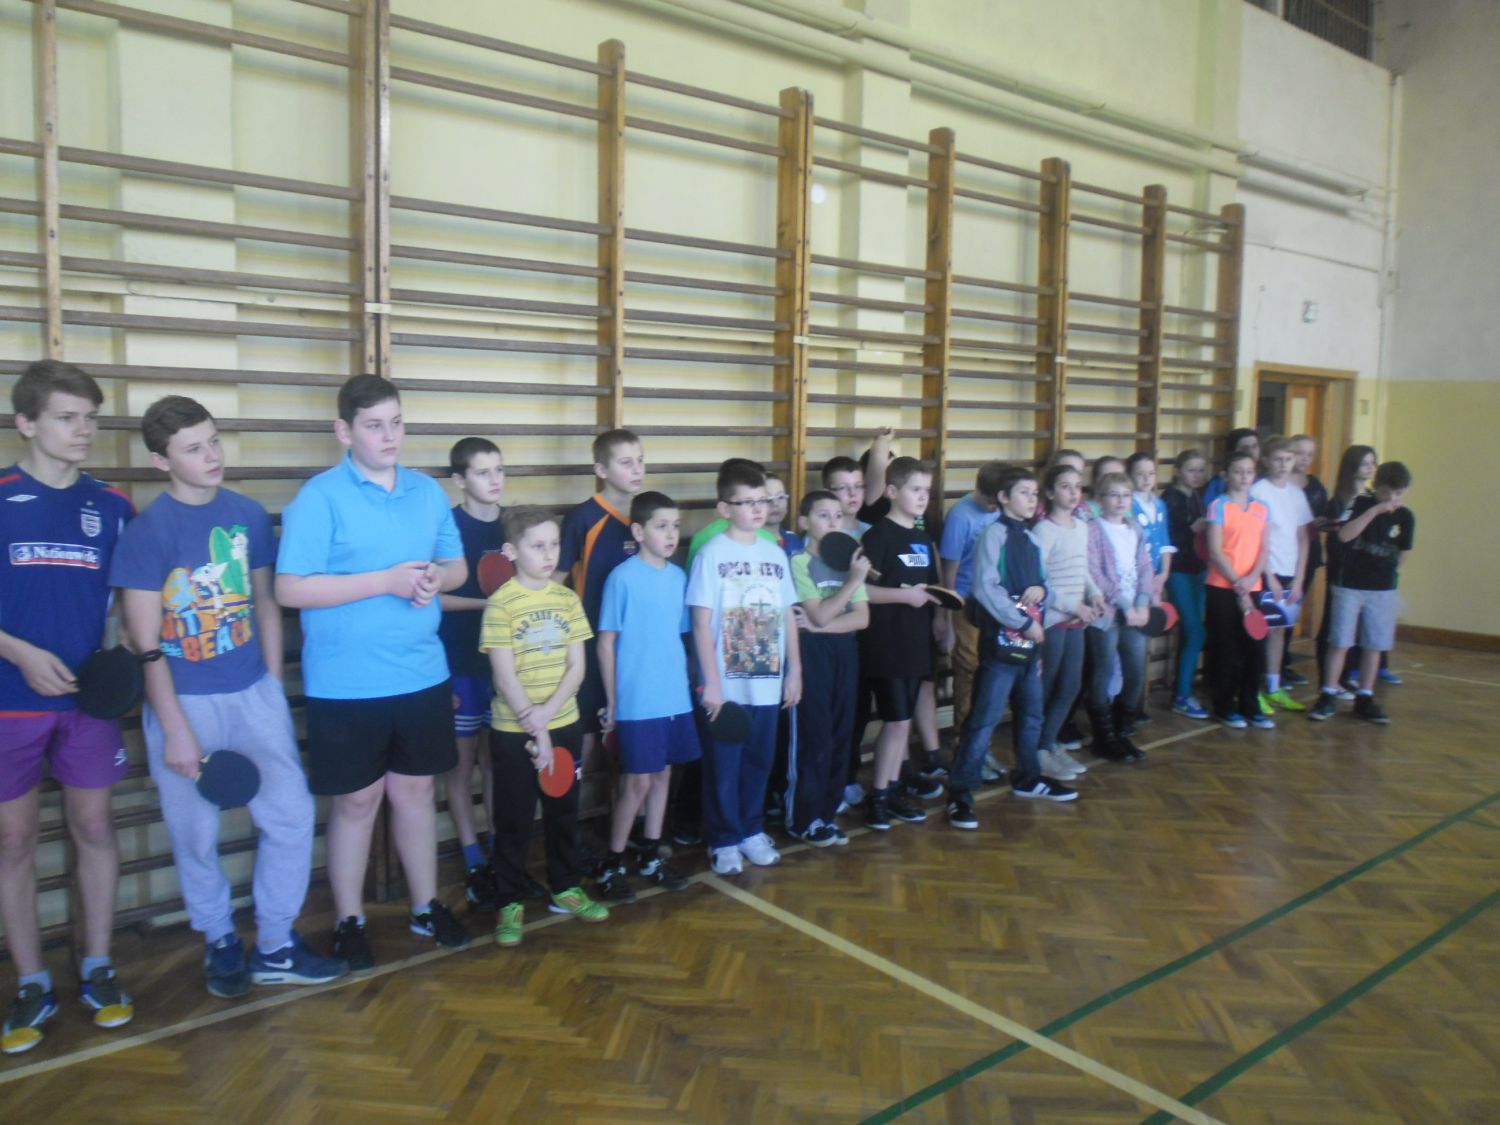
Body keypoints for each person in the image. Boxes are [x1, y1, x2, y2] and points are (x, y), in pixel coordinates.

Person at [111, 396, 347, 999]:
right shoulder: (147, 533)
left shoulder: (246, 515)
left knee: (291, 816)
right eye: (194, 448)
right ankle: (219, 939)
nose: (211, 455)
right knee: (194, 833)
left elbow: (265, 602)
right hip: (184, 704)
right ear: (162, 461)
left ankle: (275, 944)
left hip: (252, 695)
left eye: (213, 441)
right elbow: (145, 644)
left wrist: (269, 683)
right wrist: (174, 728)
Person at [275, 374, 470, 971]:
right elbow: (290, 589)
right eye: (374, 425)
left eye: (397, 422)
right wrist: (384, 581)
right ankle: (350, 919)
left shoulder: (427, 492)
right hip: (345, 682)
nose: (390, 436)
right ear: (345, 431)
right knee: (357, 804)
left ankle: (424, 906)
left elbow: (457, 567)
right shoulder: (319, 497)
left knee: (416, 793)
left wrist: (437, 578)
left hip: (421, 674)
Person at [1, 361, 135, 1055]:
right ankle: (31, 981)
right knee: (14, 841)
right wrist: (18, 651)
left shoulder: (112, 505)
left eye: (90, 418)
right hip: (9, 704)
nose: (84, 430)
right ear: (25, 422)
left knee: (93, 825)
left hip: (88, 706)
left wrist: (124, 659)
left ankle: (98, 966)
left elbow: (126, 605)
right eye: (66, 417)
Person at [481, 506, 609, 946]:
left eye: (554, 544)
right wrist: (536, 730)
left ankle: (565, 888)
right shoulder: (501, 604)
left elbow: (577, 668)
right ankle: (509, 900)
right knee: (513, 818)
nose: (549, 554)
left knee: (564, 812)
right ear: (511, 551)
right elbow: (504, 677)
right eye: (537, 546)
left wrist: (548, 716)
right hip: (513, 730)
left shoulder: (567, 599)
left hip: (564, 724)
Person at [688, 462, 802, 875]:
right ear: (725, 509)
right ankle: (724, 839)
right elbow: (701, 623)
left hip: (767, 681)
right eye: (747, 502)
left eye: (763, 501)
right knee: (724, 766)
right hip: (726, 684)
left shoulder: (775, 553)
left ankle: (751, 830)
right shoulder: (711, 555)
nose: (758, 509)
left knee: (758, 760)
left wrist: (795, 670)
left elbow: (788, 615)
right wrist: (711, 683)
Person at [946, 467, 1076, 830]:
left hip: (1028, 649)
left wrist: (1044, 592)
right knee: (983, 720)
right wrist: (1023, 623)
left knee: (1031, 714)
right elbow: (986, 588)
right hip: (1001, 648)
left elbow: (1044, 583)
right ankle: (960, 793)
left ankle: (1028, 777)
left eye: (1035, 494)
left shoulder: (1031, 538)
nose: (1032, 500)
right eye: (1023, 493)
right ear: (1003, 498)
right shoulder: (993, 535)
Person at [594, 492, 697, 901]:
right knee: (636, 783)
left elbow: (679, 636)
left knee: (663, 775)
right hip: (637, 700)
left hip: (674, 697)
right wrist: (613, 700)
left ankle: (652, 855)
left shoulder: (678, 577)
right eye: (661, 526)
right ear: (638, 531)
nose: (671, 534)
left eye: (675, 526)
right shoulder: (622, 578)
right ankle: (612, 862)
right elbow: (606, 643)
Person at [437, 438, 508, 913]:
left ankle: (502, 853)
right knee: (461, 768)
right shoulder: (446, 528)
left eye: (499, 470)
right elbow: (435, 598)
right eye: (483, 472)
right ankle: (472, 858)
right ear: (459, 481)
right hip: (459, 663)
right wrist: (489, 606)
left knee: (497, 762)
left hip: (505, 667)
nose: (495, 480)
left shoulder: (512, 526)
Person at [857, 457, 942, 830]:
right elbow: (861, 590)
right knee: (895, 722)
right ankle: (877, 796)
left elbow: (930, 587)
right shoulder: (878, 537)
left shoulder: (921, 538)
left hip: (915, 643)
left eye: (927, 491)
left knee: (903, 723)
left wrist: (941, 610)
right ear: (892, 491)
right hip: (886, 644)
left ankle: (890, 789)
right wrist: (904, 596)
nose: (923, 497)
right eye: (915, 489)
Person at [556, 428, 646, 767]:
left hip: (636, 647)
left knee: (632, 738)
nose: (637, 469)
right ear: (601, 470)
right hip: (591, 645)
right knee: (587, 737)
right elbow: (556, 583)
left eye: (640, 461)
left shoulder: (647, 517)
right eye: (626, 463)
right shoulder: (583, 518)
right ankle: (575, 797)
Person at [787, 490, 870, 847]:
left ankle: (827, 813)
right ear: (804, 522)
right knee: (814, 737)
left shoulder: (851, 562)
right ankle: (803, 819)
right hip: (812, 656)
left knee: (840, 735)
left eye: (838, 516)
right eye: (824, 516)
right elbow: (818, 614)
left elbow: (862, 619)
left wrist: (821, 623)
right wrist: (851, 584)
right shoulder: (799, 563)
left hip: (845, 653)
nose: (834, 522)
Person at [1310, 462, 1414, 724]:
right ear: (1376, 486)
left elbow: (1404, 552)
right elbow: (1344, 535)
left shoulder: (1406, 516)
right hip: (1350, 585)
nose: (1392, 499)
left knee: (1374, 644)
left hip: (1382, 589)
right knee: (1340, 642)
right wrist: (1375, 510)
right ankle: (1328, 693)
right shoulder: (1360, 504)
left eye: (1398, 494)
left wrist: (1390, 575)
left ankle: (1365, 697)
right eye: (1386, 492)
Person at [1031, 463, 1099, 781]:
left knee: (1071, 685)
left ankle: (1049, 741)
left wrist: (1094, 594)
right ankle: (1036, 749)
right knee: (1047, 685)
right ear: (1049, 492)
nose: (1073, 493)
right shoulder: (1043, 531)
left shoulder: (1081, 526)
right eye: (1065, 486)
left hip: (1076, 620)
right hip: (1054, 620)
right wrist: (1073, 605)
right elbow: (1040, 581)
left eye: (1077, 486)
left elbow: (1082, 568)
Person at [1084, 472, 1158, 761]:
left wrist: (1142, 602)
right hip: (1108, 612)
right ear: (1100, 499)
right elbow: (1095, 573)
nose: (1120, 501)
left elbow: (1145, 567)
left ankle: (1121, 731)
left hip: (1134, 612)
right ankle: (1104, 738)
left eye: (1126, 495)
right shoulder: (1092, 529)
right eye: (1113, 495)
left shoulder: (1134, 529)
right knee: (1103, 671)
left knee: (1135, 672)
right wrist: (1125, 604)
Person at [1203, 451, 1273, 730]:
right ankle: (1225, 706)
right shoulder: (1217, 506)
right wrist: (1237, 582)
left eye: (1249, 472)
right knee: (1227, 649)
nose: (1244, 477)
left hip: (1252, 587)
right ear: (1226, 475)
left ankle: (1250, 705)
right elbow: (1215, 551)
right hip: (1222, 588)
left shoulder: (1262, 508)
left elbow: (1264, 549)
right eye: (1238, 471)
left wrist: (1252, 578)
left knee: (1255, 649)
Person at [937, 462, 1004, 746]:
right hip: (965, 602)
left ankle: (981, 741)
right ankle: (964, 741)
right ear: (980, 490)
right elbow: (949, 573)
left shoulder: (1002, 509)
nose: (994, 508)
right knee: (969, 669)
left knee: (991, 671)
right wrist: (948, 618)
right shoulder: (961, 516)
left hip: (993, 602)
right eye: (991, 502)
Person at [1250, 437, 1313, 714]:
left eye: (1288, 459)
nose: (1283, 465)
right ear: (1266, 461)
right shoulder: (1258, 491)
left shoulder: (1296, 494)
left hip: (1290, 572)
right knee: (1259, 631)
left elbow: (1303, 538)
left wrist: (1299, 579)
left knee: (1279, 631)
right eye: (1277, 459)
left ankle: (1274, 687)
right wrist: (1270, 577)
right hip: (1266, 572)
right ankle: (1253, 689)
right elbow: (1256, 539)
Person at [1318, 444, 1379, 691]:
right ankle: (1329, 680)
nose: (1371, 468)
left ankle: (1348, 674)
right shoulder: (1338, 501)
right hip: (1341, 570)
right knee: (1333, 624)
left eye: (1373, 463)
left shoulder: (1372, 498)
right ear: (1352, 467)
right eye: (1365, 463)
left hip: (1364, 572)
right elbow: (1334, 538)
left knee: (1356, 626)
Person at [1162, 450, 1211, 720]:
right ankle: (1182, 696)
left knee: (1193, 632)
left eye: (1201, 470)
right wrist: (1193, 528)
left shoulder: (1197, 497)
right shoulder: (1170, 498)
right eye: (1191, 470)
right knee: (1196, 632)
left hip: (1198, 570)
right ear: (1178, 471)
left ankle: (1183, 689)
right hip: (1178, 571)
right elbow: (1167, 540)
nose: (1197, 475)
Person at [1283, 434, 1328, 688]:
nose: (1305, 459)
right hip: (1282, 555)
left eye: (1310, 454)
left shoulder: (1316, 485)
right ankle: (1272, 665)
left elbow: (1323, 515)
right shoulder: (1280, 485)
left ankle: (1283, 662)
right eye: (1300, 453)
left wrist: (1322, 523)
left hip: (1307, 554)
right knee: (1275, 613)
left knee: (1292, 609)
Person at [1205, 428, 1260, 507]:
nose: (1251, 452)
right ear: (1233, 451)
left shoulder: (1265, 480)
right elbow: (1209, 507)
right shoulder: (1218, 482)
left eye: (1255, 447)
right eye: (1245, 448)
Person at [763, 471, 803, 557]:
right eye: (768, 499)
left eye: (781, 497)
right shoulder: (749, 541)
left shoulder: (794, 539)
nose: (775, 504)